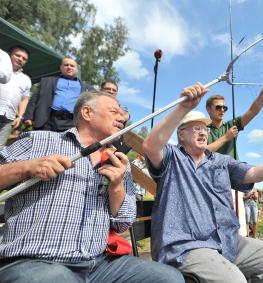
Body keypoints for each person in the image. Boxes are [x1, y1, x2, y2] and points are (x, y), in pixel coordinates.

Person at [142, 82, 263, 282]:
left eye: (205, 129)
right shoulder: (172, 158)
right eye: (196, 128)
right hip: (186, 246)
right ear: (181, 135)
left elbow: (255, 173)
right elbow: (150, 145)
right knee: (234, 279)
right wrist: (184, 107)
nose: (203, 132)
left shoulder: (221, 161)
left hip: (226, 241)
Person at [0, 91, 184, 283]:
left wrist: (117, 188)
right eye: (114, 111)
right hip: (35, 261)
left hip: (98, 265)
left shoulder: (119, 162)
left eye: (123, 113)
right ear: (87, 113)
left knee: (169, 278)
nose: (124, 117)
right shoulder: (39, 141)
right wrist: (27, 167)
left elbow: (123, 223)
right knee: (57, 278)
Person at [206, 72, 263, 236]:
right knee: (216, 224)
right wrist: (226, 138)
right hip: (212, 183)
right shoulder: (203, 130)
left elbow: (253, 111)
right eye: (218, 107)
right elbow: (203, 152)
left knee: (239, 226)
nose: (222, 110)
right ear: (208, 110)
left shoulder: (231, 125)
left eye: (225, 107)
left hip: (233, 180)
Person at [23, 57, 94, 131]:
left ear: (76, 69)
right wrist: (28, 117)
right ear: (61, 68)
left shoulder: (88, 89)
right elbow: (34, 99)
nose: (69, 67)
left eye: (72, 66)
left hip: (72, 123)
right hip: (47, 121)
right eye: (66, 65)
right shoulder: (47, 81)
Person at [0, 46, 31, 148]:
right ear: (10, 55)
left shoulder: (26, 79)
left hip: (8, 118)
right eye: (18, 55)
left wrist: (20, 116)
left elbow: (24, 99)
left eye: (24, 58)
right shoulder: (2, 70)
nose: (20, 59)